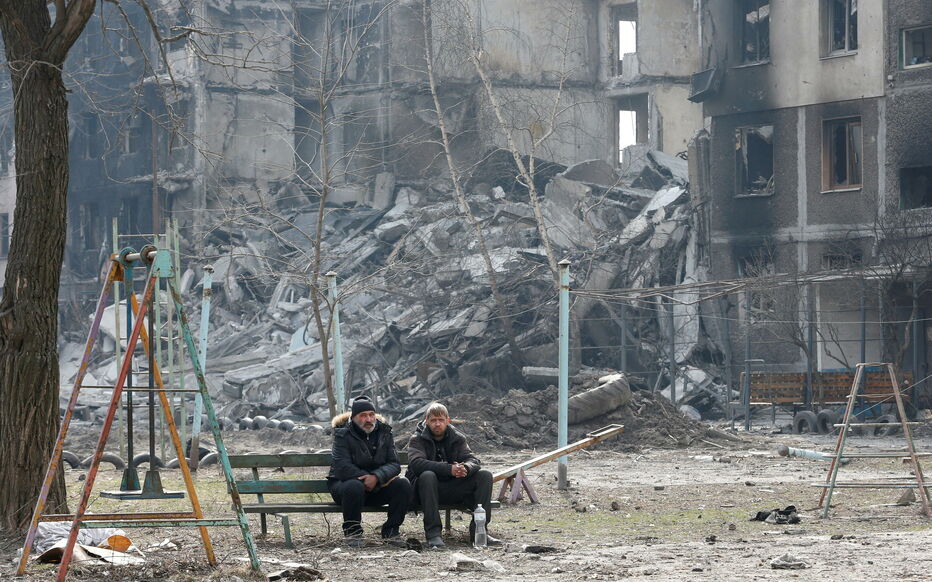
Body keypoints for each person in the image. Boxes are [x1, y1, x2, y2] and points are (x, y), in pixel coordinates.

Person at [406, 402, 499, 548]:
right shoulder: (417, 439)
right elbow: (416, 464)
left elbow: (473, 459)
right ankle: (433, 534)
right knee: (427, 475)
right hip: (427, 491)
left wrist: (466, 468)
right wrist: (449, 469)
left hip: (453, 487)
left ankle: (479, 532)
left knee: (485, 475)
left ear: (448, 421)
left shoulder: (457, 438)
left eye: (441, 420)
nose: (437, 424)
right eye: (433, 420)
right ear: (426, 421)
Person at [328, 395, 411, 546]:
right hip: (346, 489)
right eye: (363, 415)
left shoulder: (385, 433)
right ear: (354, 418)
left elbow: (394, 464)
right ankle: (353, 533)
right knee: (354, 486)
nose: (369, 419)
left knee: (403, 484)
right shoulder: (342, 434)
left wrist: (377, 477)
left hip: (378, 487)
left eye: (371, 415)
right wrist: (367, 478)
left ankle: (391, 532)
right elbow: (342, 467)